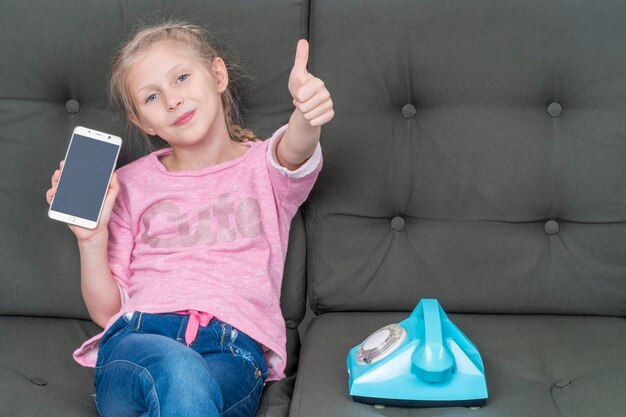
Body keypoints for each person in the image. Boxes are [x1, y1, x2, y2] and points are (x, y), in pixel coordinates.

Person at [45, 22, 333, 417]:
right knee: (178, 372)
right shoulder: (129, 185)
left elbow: (295, 147)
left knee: (190, 390)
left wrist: (308, 114)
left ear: (217, 75)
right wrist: (91, 239)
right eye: (152, 96)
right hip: (139, 339)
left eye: (182, 78)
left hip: (232, 351)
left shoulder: (264, 169)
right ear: (143, 122)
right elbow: (107, 310)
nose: (173, 100)